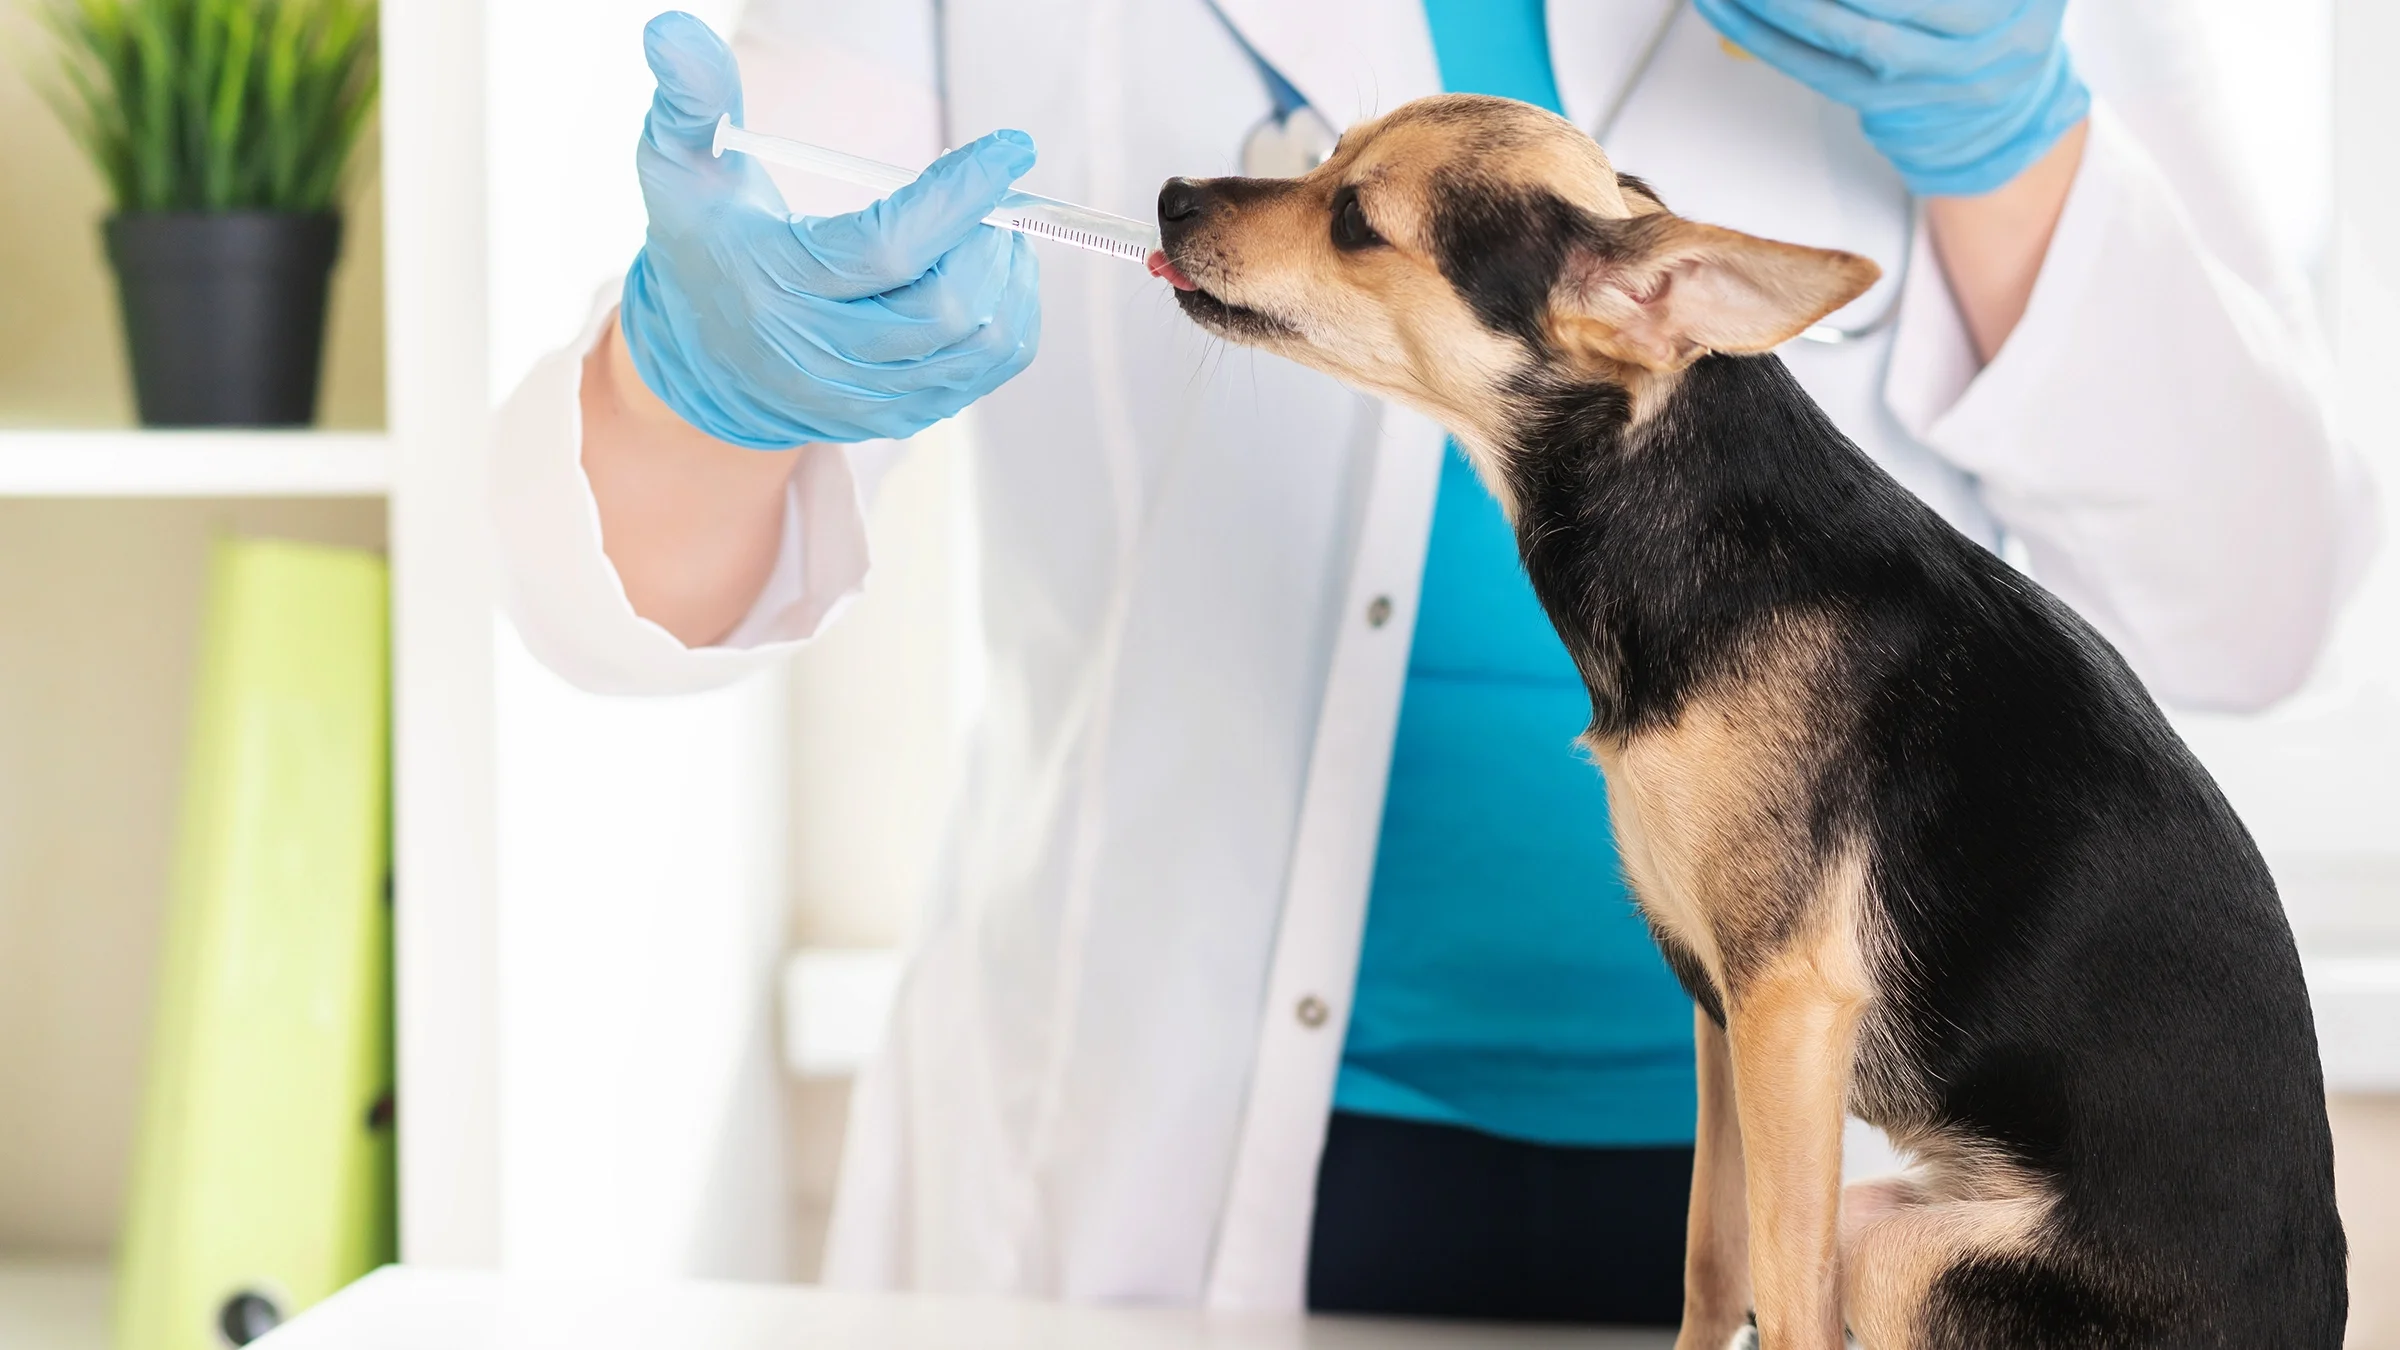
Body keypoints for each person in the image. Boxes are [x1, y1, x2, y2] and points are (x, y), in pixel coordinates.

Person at [492, 0, 2373, 1323]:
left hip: (1841, 1178)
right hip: (1186, 1162)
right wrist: (695, 388)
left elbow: (2266, 595)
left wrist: (2017, 147)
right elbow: (607, 599)